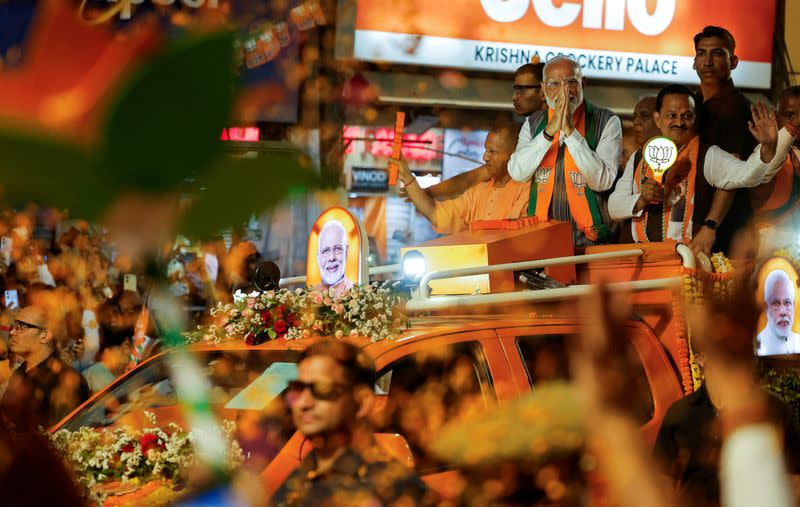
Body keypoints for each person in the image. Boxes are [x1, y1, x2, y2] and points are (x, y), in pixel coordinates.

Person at [654, 297, 800, 507]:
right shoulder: (680, 414)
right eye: (720, 347)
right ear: (700, 359)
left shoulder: (773, 408)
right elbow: (662, 483)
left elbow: (795, 480)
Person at [609, 84, 793, 245]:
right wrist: (641, 199)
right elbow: (613, 207)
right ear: (658, 119)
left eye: (687, 116)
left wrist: (768, 147)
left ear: (695, 118)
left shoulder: (708, 155)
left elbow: (747, 176)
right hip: (642, 259)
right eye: (672, 115)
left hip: (686, 263)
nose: (679, 122)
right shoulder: (639, 157)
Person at [270, 340, 435, 506]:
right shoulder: (301, 476)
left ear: (362, 402)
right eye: (297, 388)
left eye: (322, 389)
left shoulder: (392, 486)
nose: (303, 403)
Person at [508, 56, 622, 248]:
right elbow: (517, 172)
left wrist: (570, 132)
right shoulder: (534, 123)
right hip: (543, 239)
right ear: (543, 89)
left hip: (592, 242)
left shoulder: (607, 121)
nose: (564, 91)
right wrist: (548, 133)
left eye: (571, 82)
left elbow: (602, 182)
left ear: (583, 83)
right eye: (554, 84)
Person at [406, 63, 545, 202]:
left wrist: (430, 192)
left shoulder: (553, 129)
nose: (515, 97)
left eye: (523, 90)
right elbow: (475, 176)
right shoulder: (529, 128)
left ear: (544, 90)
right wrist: (430, 192)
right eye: (515, 90)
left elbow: (477, 176)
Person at [692, 26, 758, 255]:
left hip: (723, 230)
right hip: (687, 226)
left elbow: (731, 175)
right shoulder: (690, 106)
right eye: (701, 53)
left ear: (734, 61)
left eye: (717, 53)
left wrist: (711, 225)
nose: (708, 61)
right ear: (694, 61)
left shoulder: (740, 111)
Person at [394, 124, 530, 234]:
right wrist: (408, 179)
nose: (485, 157)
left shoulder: (527, 189)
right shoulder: (478, 193)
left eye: (492, 151)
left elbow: (513, 237)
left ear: (514, 154)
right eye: (485, 150)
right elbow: (437, 215)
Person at [0, 305, 90, 430]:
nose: (12, 332)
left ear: (45, 335)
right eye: (14, 325)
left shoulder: (66, 381)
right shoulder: (21, 372)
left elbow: (64, 440)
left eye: (21, 326)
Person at [756, 269, 800, 356]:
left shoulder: (798, 342)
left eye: (787, 303)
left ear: (793, 305)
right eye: (776, 303)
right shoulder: (758, 347)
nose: (783, 312)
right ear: (766, 307)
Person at [83, 324, 133, 393]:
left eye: (128, 345)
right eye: (118, 347)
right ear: (107, 351)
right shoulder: (98, 371)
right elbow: (109, 401)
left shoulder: (124, 372)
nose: (126, 351)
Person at [314, 220, 354, 296]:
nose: (332, 258)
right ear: (318, 258)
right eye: (325, 251)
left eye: (338, 249)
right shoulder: (308, 298)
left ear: (346, 252)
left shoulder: (358, 294)